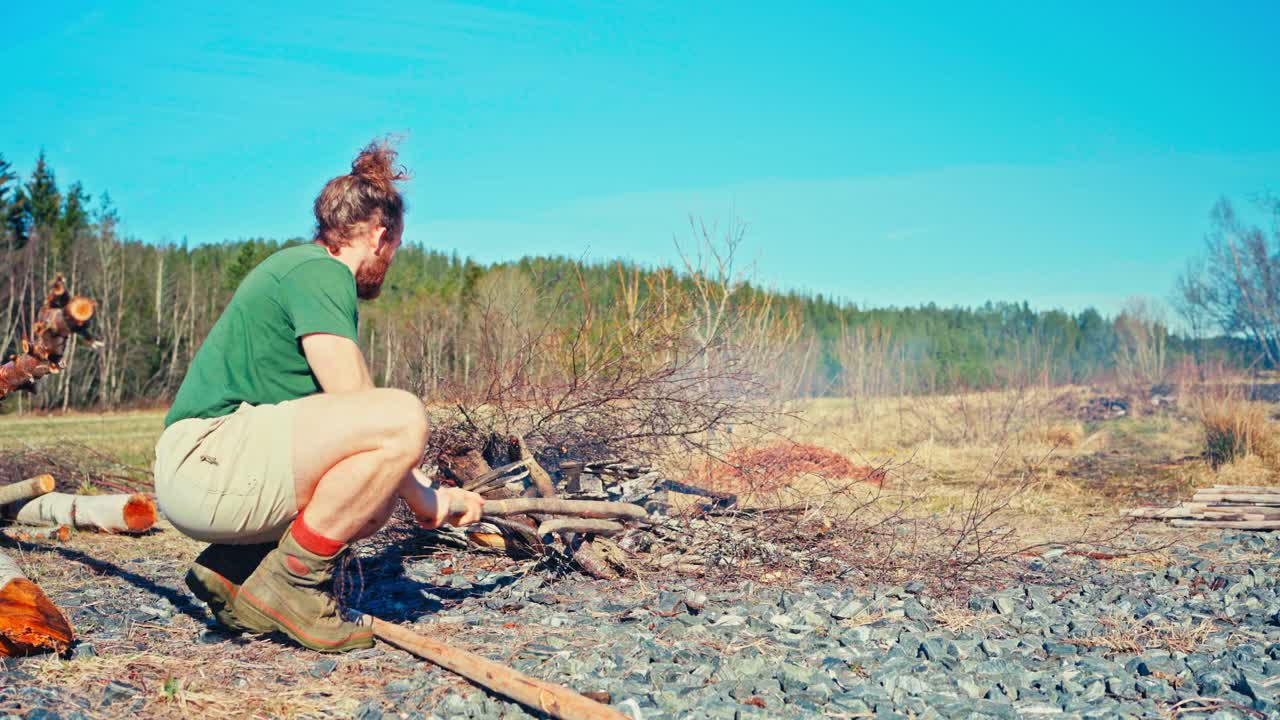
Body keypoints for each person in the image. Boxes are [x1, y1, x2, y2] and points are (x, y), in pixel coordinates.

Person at [153, 139, 485, 652]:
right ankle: (294, 584)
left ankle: (236, 570)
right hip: (207, 463)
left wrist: (413, 492)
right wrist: (429, 500)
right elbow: (363, 405)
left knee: (370, 491)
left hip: (210, 468)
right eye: (395, 246)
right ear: (380, 235)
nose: (391, 259)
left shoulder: (301, 269)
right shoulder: (319, 271)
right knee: (401, 417)